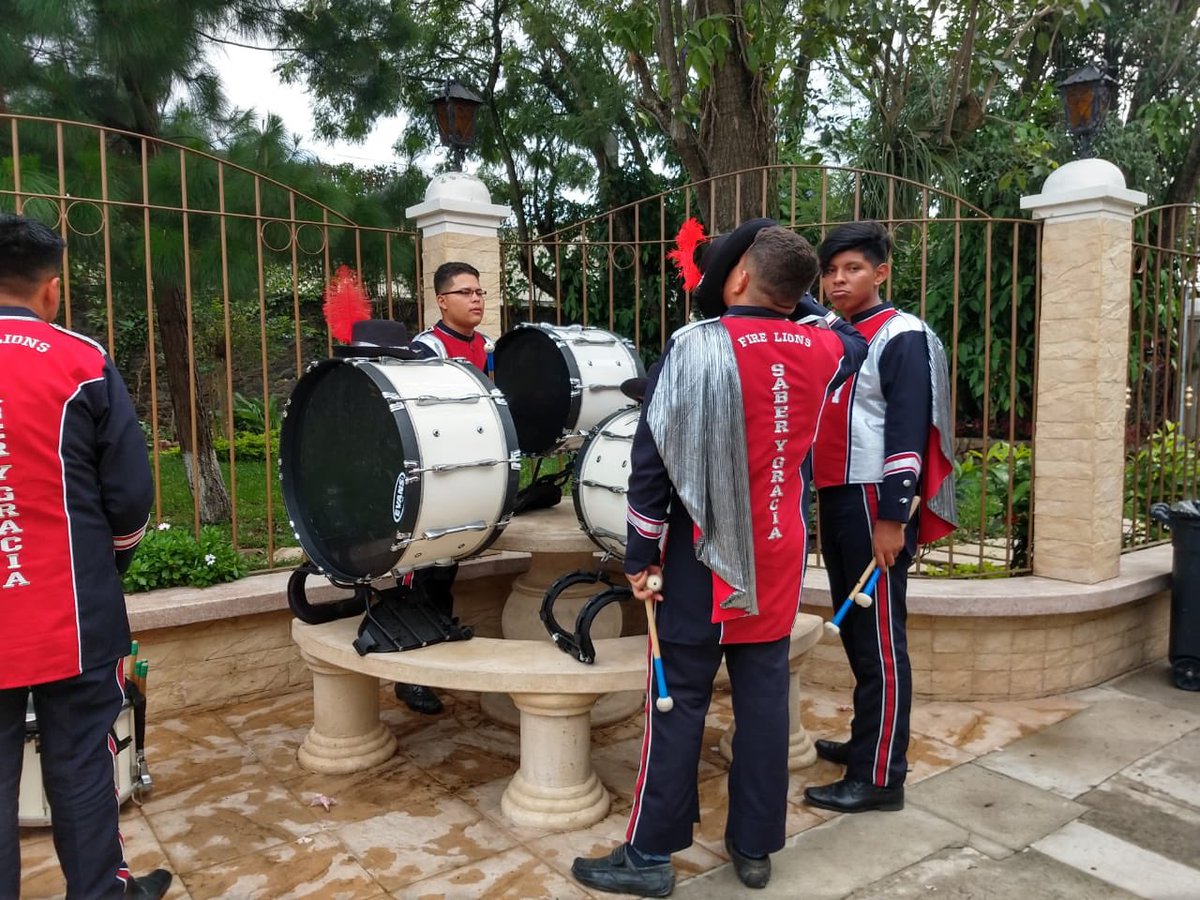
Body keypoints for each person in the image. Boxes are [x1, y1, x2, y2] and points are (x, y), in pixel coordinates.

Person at [571, 219, 867, 896]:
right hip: (779, 554)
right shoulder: (824, 349)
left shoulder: (694, 346)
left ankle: (648, 857)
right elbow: (845, 335)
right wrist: (800, 300)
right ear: (799, 290)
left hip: (699, 562)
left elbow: (650, 469)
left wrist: (640, 556)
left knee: (678, 704)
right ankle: (756, 847)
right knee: (764, 706)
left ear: (737, 278)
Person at [0, 214, 172, 899]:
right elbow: (130, 497)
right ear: (51, 290)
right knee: (81, 766)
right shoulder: (80, 360)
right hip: (70, 614)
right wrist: (112, 565)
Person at [804, 220, 956, 815]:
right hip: (840, 495)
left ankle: (881, 777)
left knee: (882, 640)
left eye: (854, 269)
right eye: (832, 270)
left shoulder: (902, 335)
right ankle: (870, 743)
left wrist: (894, 518)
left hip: (875, 500)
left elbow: (908, 430)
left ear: (881, 272)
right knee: (860, 634)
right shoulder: (835, 332)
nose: (840, 280)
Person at [396, 261, 494, 714]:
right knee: (421, 570)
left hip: (470, 472)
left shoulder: (486, 347)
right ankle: (408, 675)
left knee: (449, 561)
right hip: (435, 478)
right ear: (442, 300)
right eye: (466, 292)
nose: (477, 299)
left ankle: (438, 629)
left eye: (479, 291)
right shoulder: (425, 348)